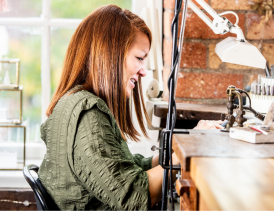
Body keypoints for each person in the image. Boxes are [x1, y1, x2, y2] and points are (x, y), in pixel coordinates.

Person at [38, 4, 223, 210]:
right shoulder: (88, 114)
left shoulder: (73, 102)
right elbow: (135, 196)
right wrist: (190, 153)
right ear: (110, 54)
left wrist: (176, 150)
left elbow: (119, 168)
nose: (143, 72)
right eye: (139, 58)